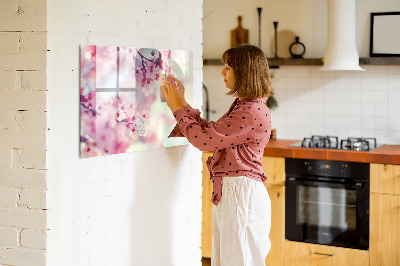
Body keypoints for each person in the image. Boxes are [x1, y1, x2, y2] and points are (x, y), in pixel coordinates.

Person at [161, 44, 273, 266]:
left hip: (241, 195)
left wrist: (176, 108)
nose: (222, 72)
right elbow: (212, 133)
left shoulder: (250, 111)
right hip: (236, 193)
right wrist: (182, 103)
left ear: (244, 72)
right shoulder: (246, 106)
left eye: (228, 67)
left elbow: (204, 141)